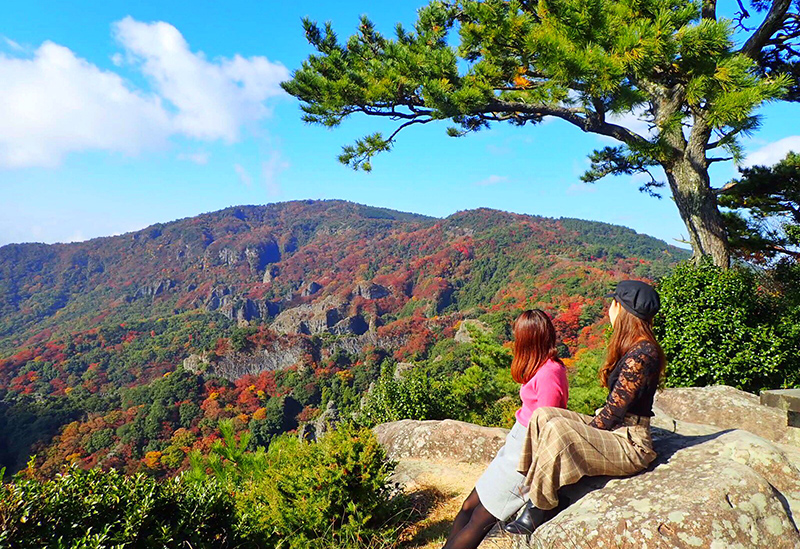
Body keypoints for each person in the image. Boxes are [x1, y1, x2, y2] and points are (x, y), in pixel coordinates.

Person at [503, 280, 665, 535]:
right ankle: (535, 483)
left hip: (632, 442)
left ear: (622, 310)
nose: (609, 310)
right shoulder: (635, 347)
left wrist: (577, 430)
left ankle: (539, 506)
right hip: (618, 430)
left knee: (559, 429)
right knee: (544, 415)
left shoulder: (642, 354)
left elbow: (613, 413)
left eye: (614, 304)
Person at [442, 309, 569, 549]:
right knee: (468, 506)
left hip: (526, 454)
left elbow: (547, 425)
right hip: (515, 443)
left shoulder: (549, 373)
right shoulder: (538, 365)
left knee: (480, 521)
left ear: (528, 339)